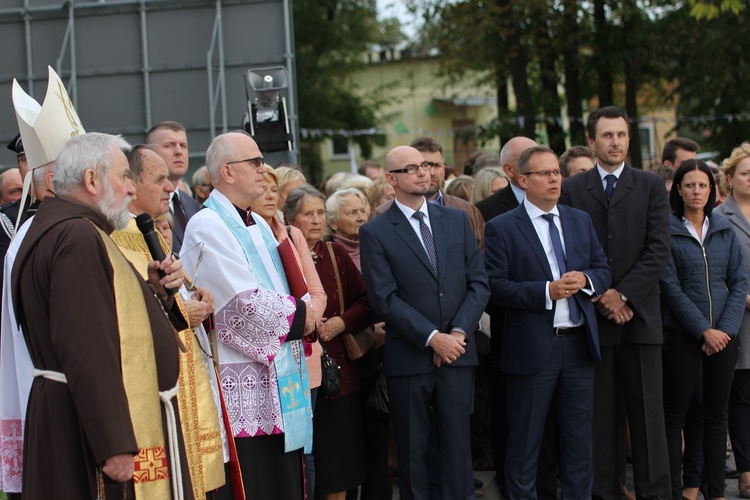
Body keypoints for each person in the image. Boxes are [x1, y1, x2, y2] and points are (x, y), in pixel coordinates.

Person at [12, 132, 193, 499]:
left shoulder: (63, 228)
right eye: (124, 176)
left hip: (69, 412)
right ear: (91, 180)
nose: (130, 189)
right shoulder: (77, 237)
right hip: (81, 428)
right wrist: (113, 443)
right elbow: (85, 344)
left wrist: (154, 293)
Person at [181, 131, 314, 499]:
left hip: (277, 375)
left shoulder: (255, 223)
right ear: (227, 171)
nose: (263, 169)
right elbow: (241, 304)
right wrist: (303, 317)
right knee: (259, 482)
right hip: (246, 381)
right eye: (254, 162)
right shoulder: (207, 225)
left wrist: (303, 309)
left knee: (285, 481)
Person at [359, 145, 489, 499]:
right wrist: (433, 338)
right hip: (411, 357)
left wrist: (458, 333)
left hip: (459, 352)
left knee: (458, 450)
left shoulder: (457, 221)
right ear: (391, 179)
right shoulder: (376, 231)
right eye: (412, 168)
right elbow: (384, 299)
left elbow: (478, 283)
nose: (424, 173)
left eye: (428, 166)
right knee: (413, 453)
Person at [484, 146, 611, 499]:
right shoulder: (502, 228)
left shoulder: (578, 219)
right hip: (532, 347)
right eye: (545, 173)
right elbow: (494, 287)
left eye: (557, 172)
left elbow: (603, 269)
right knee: (525, 441)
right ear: (522, 180)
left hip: (579, 344)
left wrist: (585, 281)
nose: (555, 179)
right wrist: (546, 291)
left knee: (579, 440)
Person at [559, 106, 672, 500]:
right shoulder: (573, 189)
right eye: (607, 136)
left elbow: (659, 250)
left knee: (647, 418)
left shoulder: (650, 185)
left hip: (640, 317)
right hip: (593, 319)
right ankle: (604, 493)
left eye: (622, 135)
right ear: (591, 142)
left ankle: (655, 493)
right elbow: (570, 251)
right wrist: (599, 294)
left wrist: (622, 295)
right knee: (600, 418)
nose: (616, 142)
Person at [110, 145, 226, 499]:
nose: (169, 188)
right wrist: (179, 313)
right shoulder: (115, 238)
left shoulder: (149, 232)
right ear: (131, 182)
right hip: (150, 389)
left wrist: (192, 301)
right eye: (159, 180)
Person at [660, 159, 746, 500]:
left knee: (716, 415)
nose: (697, 191)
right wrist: (702, 330)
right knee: (676, 415)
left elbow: (739, 282)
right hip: (682, 336)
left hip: (725, 337)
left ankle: (716, 489)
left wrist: (723, 329)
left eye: (703, 185)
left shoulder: (723, 229)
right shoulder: (667, 230)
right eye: (690, 185)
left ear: (712, 190)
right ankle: (673, 488)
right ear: (678, 190)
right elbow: (670, 287)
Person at [285, 184, 373, 500]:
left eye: (320, 212)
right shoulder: (280, 256)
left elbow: (365, 301)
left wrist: (341, 322)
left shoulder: (334, 254)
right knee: (311, 468)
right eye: (308, 213)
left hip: (339, 377)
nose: (316, 220)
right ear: (290, 218)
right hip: (298, 377)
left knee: (341, 469)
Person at [249, 167, 327, 500]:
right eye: (261, 188)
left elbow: (317, 292)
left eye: (273, 189)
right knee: (272, 453)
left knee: (304, 451)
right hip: (263, 362)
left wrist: (305, 321)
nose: (269, 195)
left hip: (301, 358)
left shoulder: (291, 234)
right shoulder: (237, 235)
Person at [714, 144, 750, 499]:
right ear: (730, 179)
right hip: (739, 319)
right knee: (742, 399)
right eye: (745, 173)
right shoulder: (720, 218)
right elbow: (717, 272)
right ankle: (746, 472)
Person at [373, 137, 485, 250]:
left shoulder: (466, 211)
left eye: (436, 165)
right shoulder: (381, 214)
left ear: (444, 170)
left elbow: (478, 259)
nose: (430, 173)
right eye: (424, 165)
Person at [147, 121, 200, 254]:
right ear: (149, 153)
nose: (179, 152)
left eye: (183, 145)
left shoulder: (191, 204)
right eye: (169, 145)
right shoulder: (145, 204)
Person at [475, 136, 538, 223]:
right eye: (529, 162)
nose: (540, 167)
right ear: (509, 170)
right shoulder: (484, 211)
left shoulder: (560, 199)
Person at [326, 187, 368, 271]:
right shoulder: (326, 254)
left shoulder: (375, 247)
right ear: (333, 223)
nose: (362, 218)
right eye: (353, 213)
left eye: (363, 211)